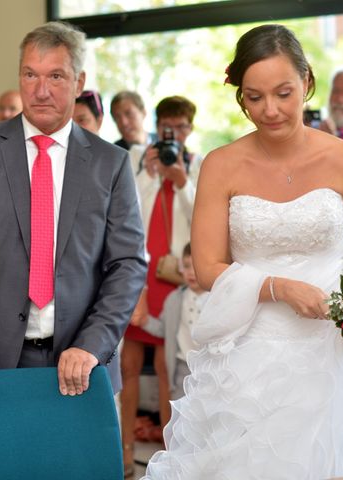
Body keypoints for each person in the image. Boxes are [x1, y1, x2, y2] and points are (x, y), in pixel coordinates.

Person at [143, 24, 343, 479]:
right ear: (240, 96)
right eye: (254, 98)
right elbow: (208, 266)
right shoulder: (221, 165)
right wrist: (277, 287)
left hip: (334, 349)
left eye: (283, 93)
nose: (270, 110)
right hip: (251, 349)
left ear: (307, 82)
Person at [0, 20, 146, 417]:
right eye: (30, 74)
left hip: (81, 363)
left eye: (55, 76)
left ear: (79, 82)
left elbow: (127, 264)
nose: (40, 90)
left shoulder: (110, 163)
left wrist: (92, 344)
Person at [121, 95, 202, 475]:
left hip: (174, 280)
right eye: (169, 127)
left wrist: (182, 182)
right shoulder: (140, 158)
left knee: (169, 369)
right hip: (140, 278)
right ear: (158, 127)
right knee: (128, 366)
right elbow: (128, 212)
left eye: (182, 127)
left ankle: (174, 455)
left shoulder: (199, 164)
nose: (176, 134)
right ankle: (123, 453)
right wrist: (151, 176)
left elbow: (201, 222)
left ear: (190, 128)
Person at [141, 243, 208, 402]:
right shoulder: (174, 299)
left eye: (196, 266)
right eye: (186, 266)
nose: (191, 272)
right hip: (182, 367)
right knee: (181, 414)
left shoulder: (216, 298)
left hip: (210, 367)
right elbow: (164, 329)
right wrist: (144, 321)